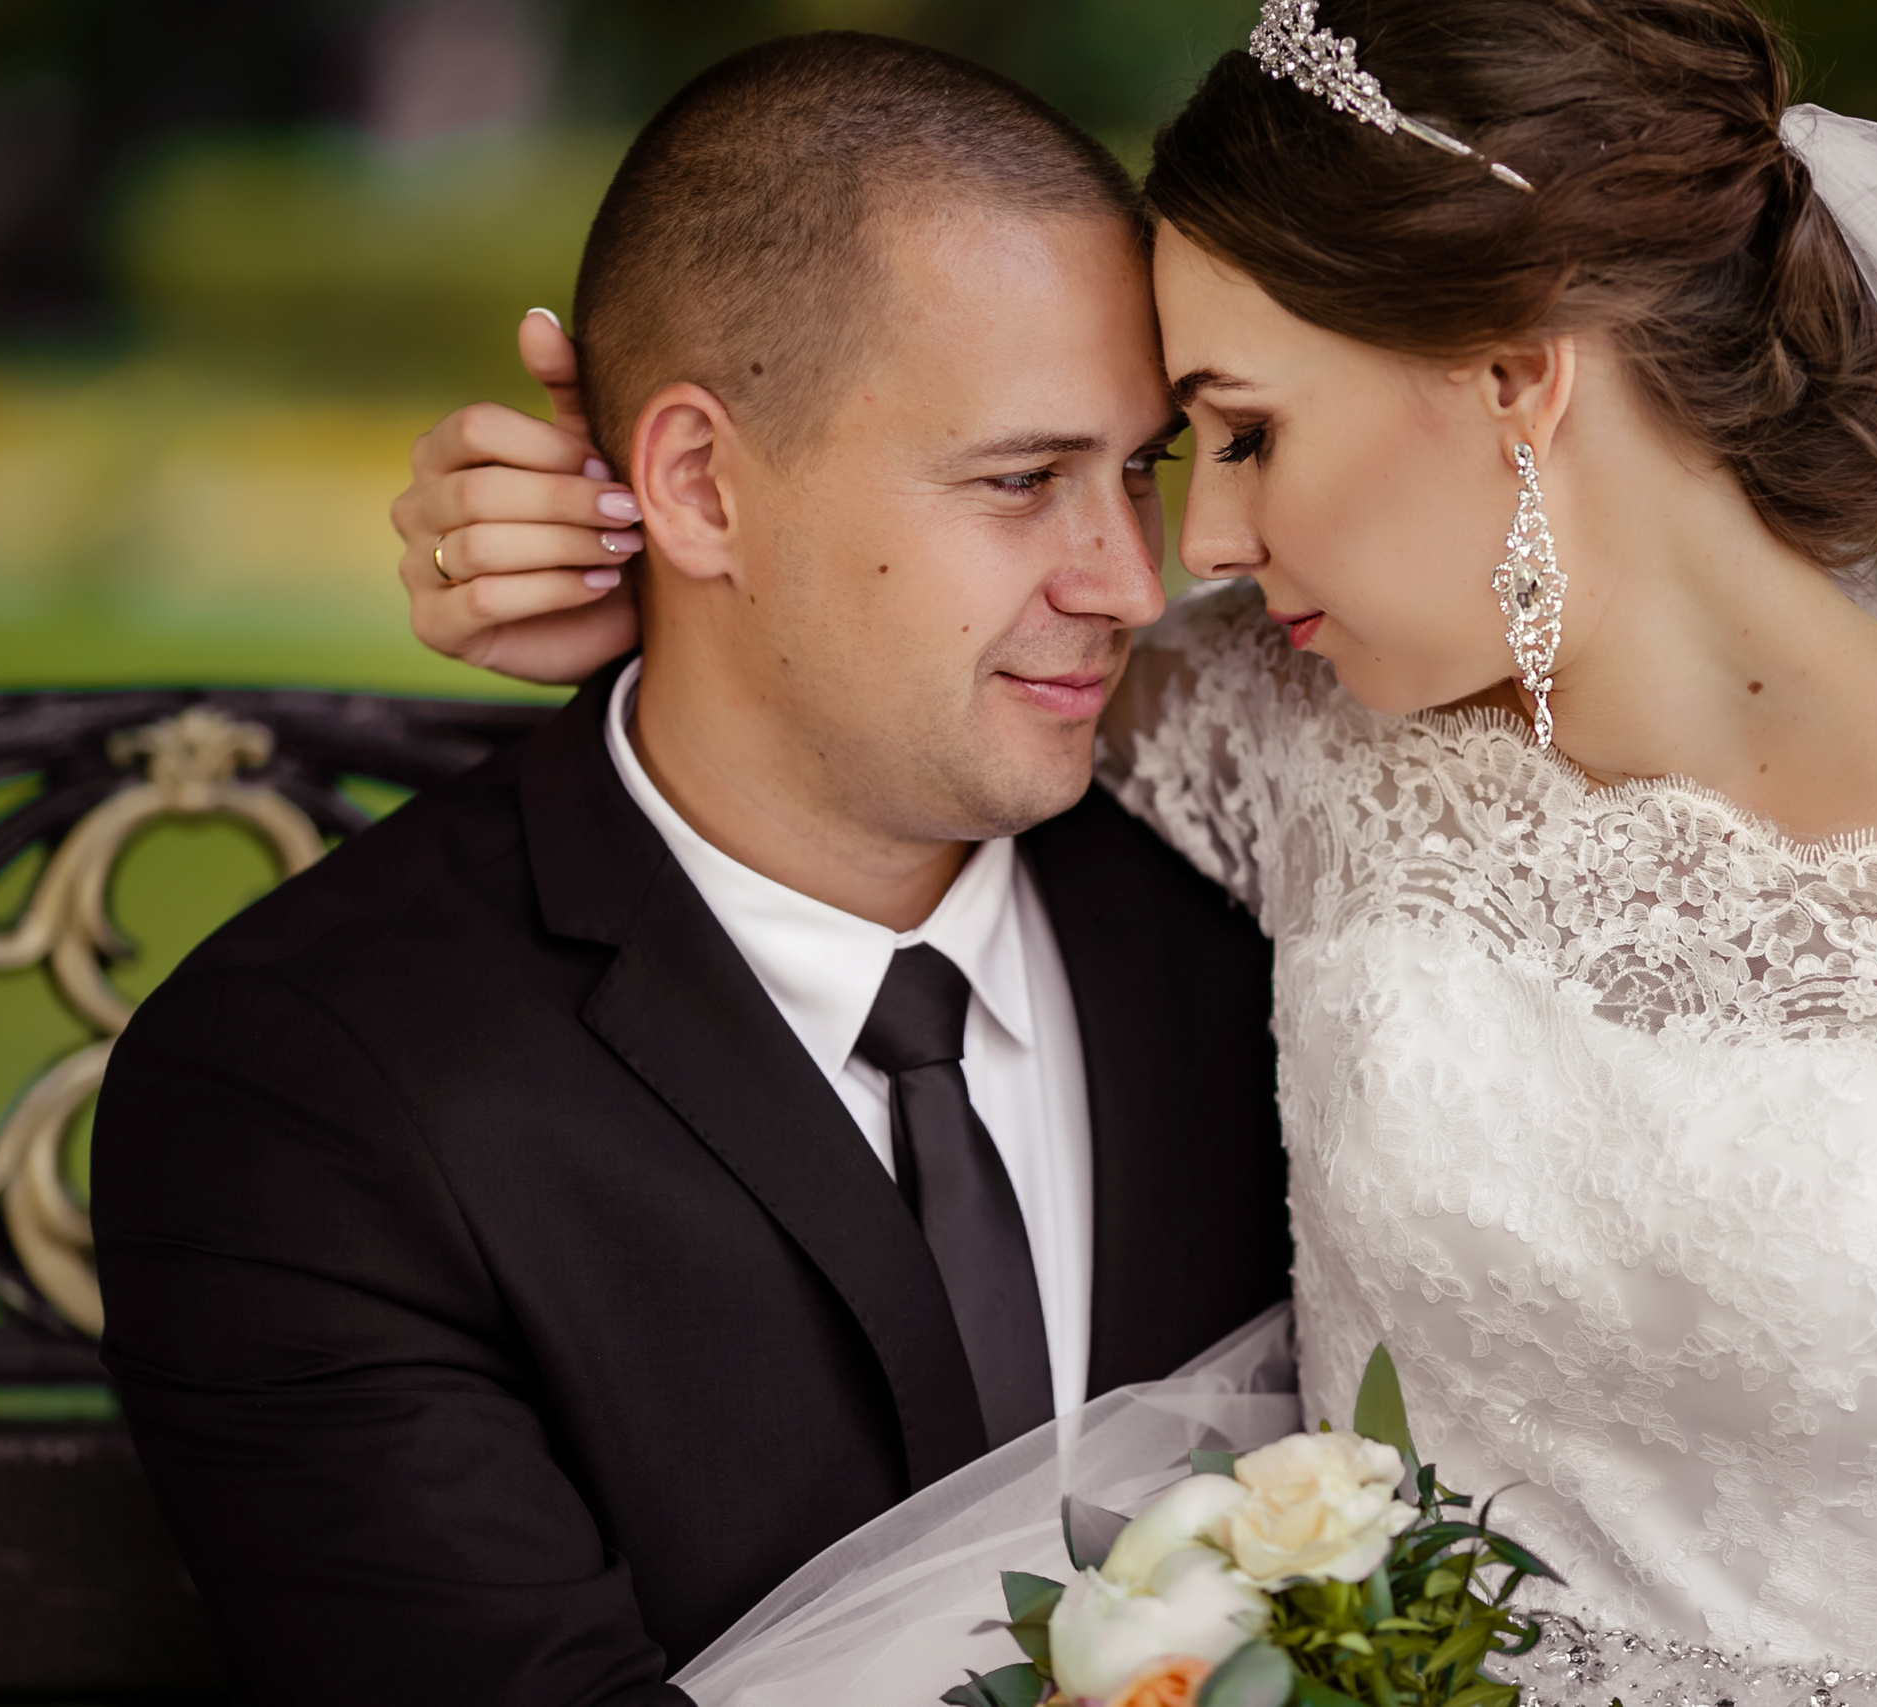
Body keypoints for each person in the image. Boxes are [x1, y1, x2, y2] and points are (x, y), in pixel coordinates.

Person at [405, 2, 1877, 1704]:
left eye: (1244, 429)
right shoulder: (1280, 728)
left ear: (1508, 376)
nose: (1190, 545)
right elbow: (874, 663)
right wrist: (640, 558)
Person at [89, 34, 1295, 1706]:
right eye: (1024, 480)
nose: (1129, 583)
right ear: (697, 484)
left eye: (1139, 471)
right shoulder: (313, 1092)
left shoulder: (1261, 939)